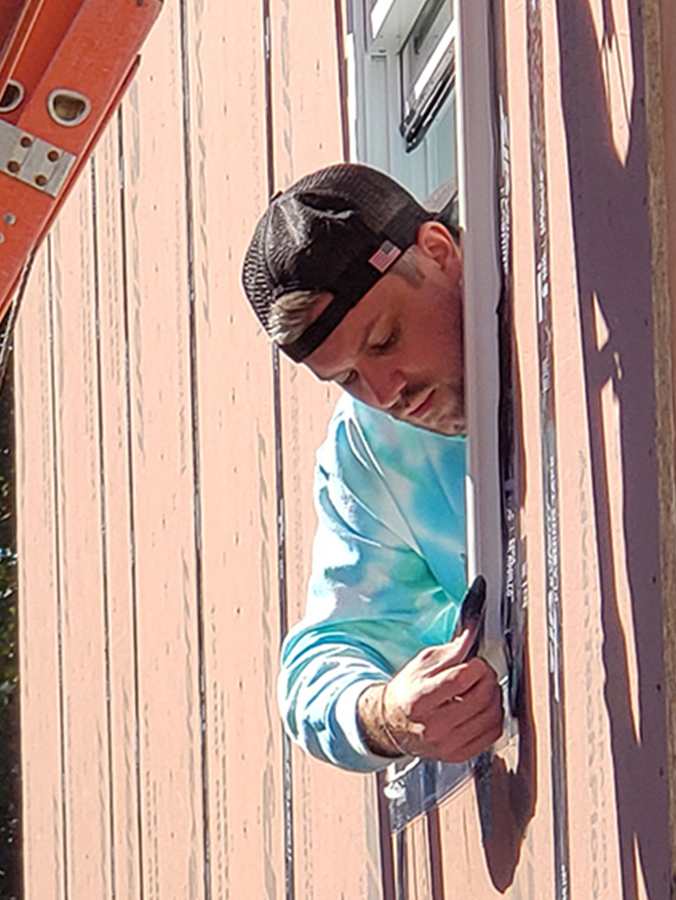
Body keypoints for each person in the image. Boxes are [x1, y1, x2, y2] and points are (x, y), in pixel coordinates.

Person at [241, 163, 505, 773]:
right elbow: (320, 662)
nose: (386, 393)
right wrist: (386, 714)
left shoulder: (565, 268)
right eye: (347, 379)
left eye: (385, 340)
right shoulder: (368, 451)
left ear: (438, 253)